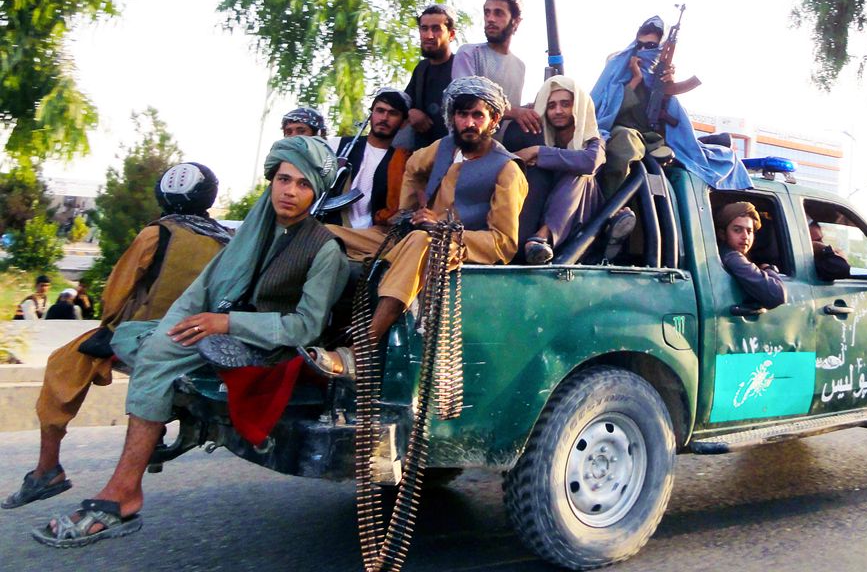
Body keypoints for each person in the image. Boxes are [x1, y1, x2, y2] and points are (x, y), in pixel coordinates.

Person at [32, 138, 345, 548]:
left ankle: (123, 491)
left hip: (273, 346)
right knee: (140, 339)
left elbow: (304, 327)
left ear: (315, 194)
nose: (290, 191)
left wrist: (226, 322)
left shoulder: (324, 249)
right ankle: (130, 460)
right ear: (271, 181)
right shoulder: (256, 229)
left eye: (303, 185)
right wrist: (176, 327)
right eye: (284, 179)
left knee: (158, 358)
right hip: (225, 329)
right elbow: (201, 290)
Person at [2, 163, 231, 512]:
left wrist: (111, 327)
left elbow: (115, 293)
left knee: (63, 364)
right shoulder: (225, 238)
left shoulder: (158, 233)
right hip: (203, 337)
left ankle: (47, 470)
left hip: (144, 332)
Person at [308, 76, 527, 379]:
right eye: (462, 114)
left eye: (478, 115)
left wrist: (445, 228)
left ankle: (361, 351)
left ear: (494, 120)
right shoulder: (443, 147)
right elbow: (413, 167)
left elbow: (503, 244)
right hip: (414, 234)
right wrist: (407, 211)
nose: (469, 122)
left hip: (453, 245)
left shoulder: (507, 169)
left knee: (422, 242)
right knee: (321, 233)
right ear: (453, 117)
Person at [591, 16, 750, 197]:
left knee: (716, 156)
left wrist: (666, 88)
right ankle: (610, 204)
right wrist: (635, 81)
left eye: (650, 46)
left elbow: (675, 121)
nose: (643, 50)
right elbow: (607, 112)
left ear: (660, 48)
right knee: (624, 141)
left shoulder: (661, 78)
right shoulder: (619, 72)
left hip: (655, 140)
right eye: (639, 46)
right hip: (621, 133)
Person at [512, 76, 605, 264]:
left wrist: (539, 152)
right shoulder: (542, 139)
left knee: (579, 173)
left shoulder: (594, 141)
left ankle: (542, 237)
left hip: (584, 219)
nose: (558, 111)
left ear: (577, 107)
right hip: (543, 211)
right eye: (551, 105)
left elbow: (590, 162)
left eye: (565, 104)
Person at [324, 88, 411, 230]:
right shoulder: (338, 145)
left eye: (393, 113)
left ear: (403, 123)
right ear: (371, 114)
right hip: (328, 226)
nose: (384, 118)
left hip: (371, 234)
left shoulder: (401, 162)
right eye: (380, 111)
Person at [452, 0, 536, 134]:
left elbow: (507, 111)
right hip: (467, 146)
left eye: (498, 13)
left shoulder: (519, 66)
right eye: (487, 13)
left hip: (502, 150)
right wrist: (516, 112)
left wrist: (528, 110)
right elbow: (467, 101)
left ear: (516, 21)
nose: (490, 18)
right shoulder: (469, 53)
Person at [396, 4, 457, 150]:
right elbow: (403, 103)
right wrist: (411, 112)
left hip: (454, 154)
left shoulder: (461, 67)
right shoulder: (421, 69)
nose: (429, 35)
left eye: (436, 29)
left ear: (451, 34)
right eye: (424, 28)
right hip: (420, 156)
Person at [716, 202, 786, 310]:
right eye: (737, 230)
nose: (745, 236)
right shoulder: (731, 257)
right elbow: (777, 295)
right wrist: (768, 269)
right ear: (722, 234)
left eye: (749, 231)